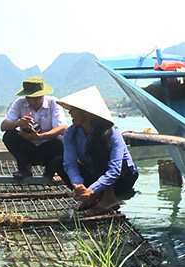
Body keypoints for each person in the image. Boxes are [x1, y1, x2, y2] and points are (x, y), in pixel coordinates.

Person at [56, 86, 139, 215]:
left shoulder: (111, 132)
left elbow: (115, 170)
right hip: (97, 176)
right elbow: (70, 164)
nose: (70, 113)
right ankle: (95, 197)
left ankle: (108, 198)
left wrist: (92, 188)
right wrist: (78, 184)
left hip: (123, 178)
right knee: (58, 161)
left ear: (86, 112)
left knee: (96, 146)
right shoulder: (70, 134)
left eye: (74, 109)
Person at [0, 76, 67, 181]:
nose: (32, 101)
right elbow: (3, 126)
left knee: (61, 141)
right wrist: (19, 122)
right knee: (9, 136)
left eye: (36, 97)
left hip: (47, 148)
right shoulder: (19, 103)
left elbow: (62, 127)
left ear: (43, 95)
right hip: (28, 148)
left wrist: (40, 137)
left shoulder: (53, 103)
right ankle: (25, 168)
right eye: (29, 97)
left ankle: (50, 171)